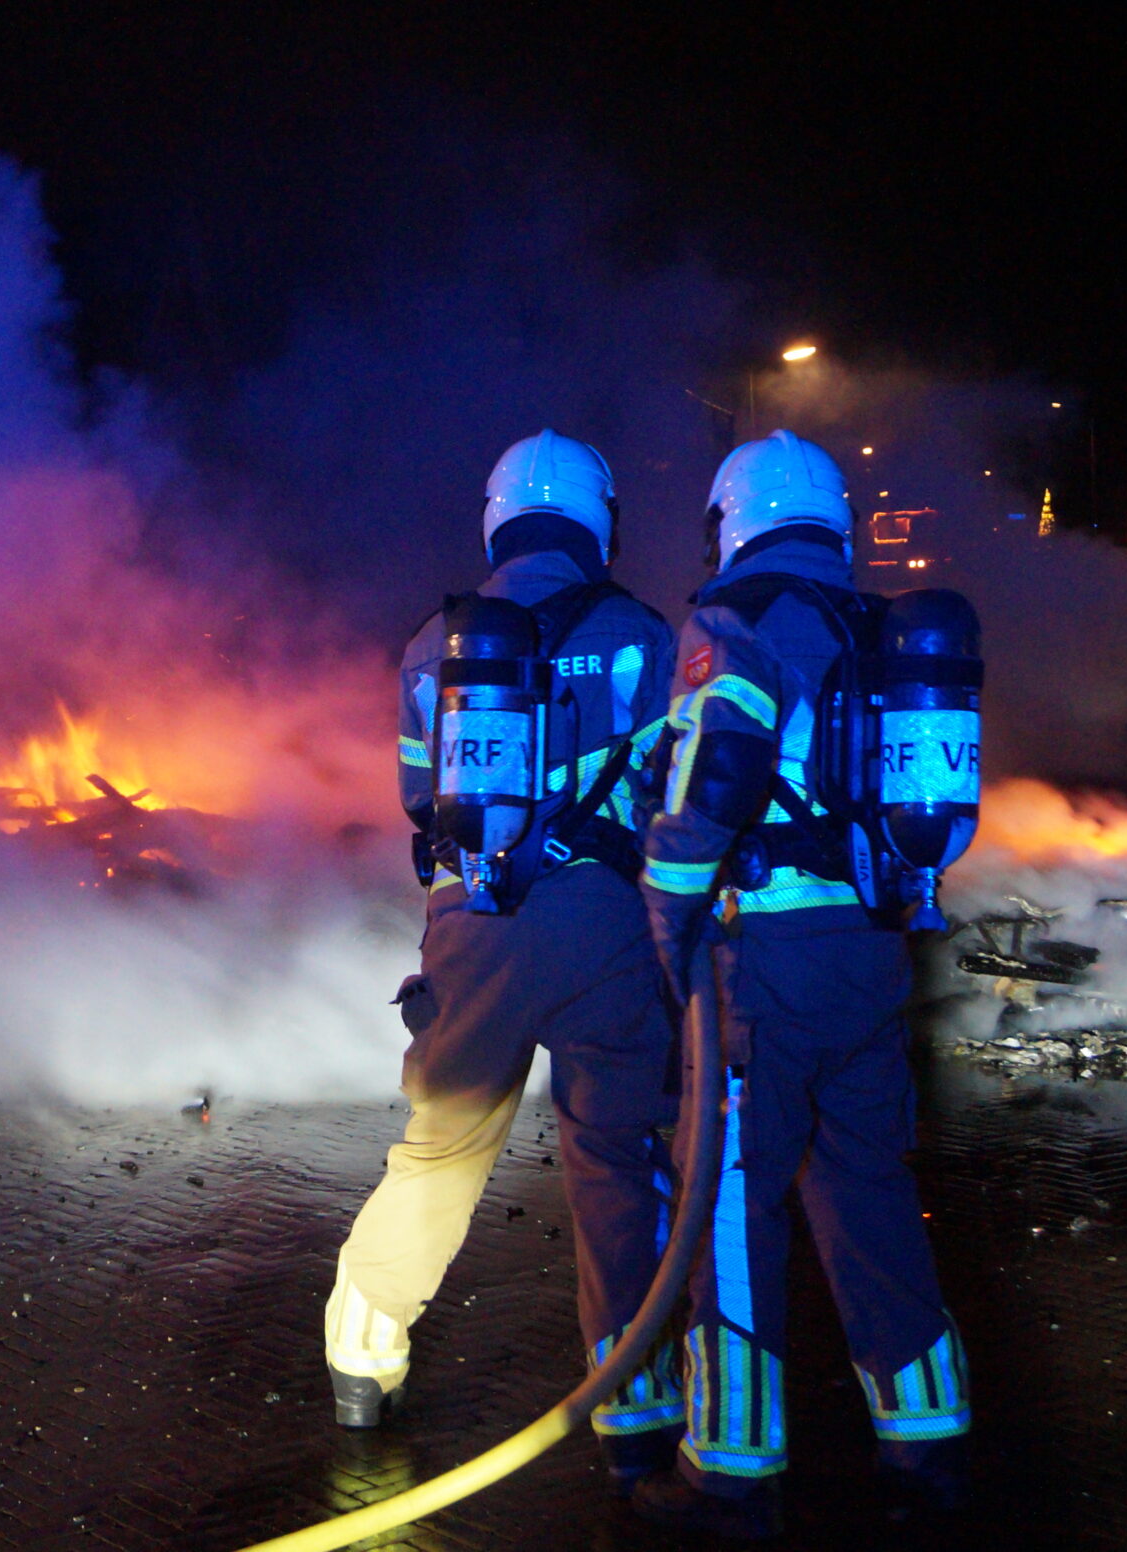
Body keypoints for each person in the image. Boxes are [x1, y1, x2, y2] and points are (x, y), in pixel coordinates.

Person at [323, 429, 685, 1493]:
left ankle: (362, 1359)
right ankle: (634, 1395)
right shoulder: (639, 632)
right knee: (617, 1155)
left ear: (496, 519)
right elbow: (671, 790)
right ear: (599, 520)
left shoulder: (431, 643)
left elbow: (416, 797)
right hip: (607, 928)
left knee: (440, 1149)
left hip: (472, 923)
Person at [632, 430, 969, 1537]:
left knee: (732, 1204)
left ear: (731, 521)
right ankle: (926, 1438)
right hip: (871, 953)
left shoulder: (733, 622)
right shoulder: (880, 626)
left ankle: (731, 1469)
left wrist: (670, 920)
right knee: (869, 1188)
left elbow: (716, 773)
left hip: (763, 967)